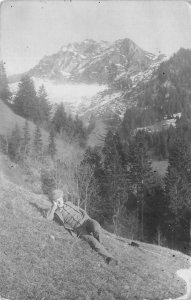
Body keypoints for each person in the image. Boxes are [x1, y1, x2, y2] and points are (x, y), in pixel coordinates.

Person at [47, 188, 117, 265]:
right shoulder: (56, 212)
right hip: (78, 228)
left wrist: (88, 218)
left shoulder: (69, 203)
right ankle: (109, 257)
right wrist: (54, 207)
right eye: (57, 201)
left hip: (85, 220)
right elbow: (48, 218)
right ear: (54, 202)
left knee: (96, 225)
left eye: (60, 199)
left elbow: (81, 210)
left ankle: (101, 245)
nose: (60, 201)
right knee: (92, 240)